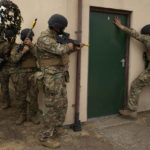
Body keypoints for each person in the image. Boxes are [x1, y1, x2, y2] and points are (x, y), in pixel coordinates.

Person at [36, 14, 83, 148]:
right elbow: (60, 49)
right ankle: (44, 137)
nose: (63, 29)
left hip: (60, 77)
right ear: (56, 27)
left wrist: (74, 49)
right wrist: (70, 45)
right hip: (51, 79)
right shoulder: (44, 39)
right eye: (62, 27)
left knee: (62, 105)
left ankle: (55, 129)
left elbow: (62, 54)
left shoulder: (55, 38)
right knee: (51, 108)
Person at [114, 16, 150, 119]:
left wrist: (121, 26)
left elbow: (136, 35)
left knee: (136, 85)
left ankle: (132, 111)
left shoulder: (148, 38)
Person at [10, 28, 39, 125]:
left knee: (33, 96)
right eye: (29, 37)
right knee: (21, 96)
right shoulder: (17, 47)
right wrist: (22, 52)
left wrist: (31, 47)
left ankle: (33, 116)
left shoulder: (34, 47)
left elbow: (39, 56)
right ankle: (22, 115)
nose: (30, 39)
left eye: (31, 38)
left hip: (33, 73)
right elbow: (13, 59)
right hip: (21, 74)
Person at [0, 28, 18, 109]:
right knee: (15, 87)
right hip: (10, 68)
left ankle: (6, 103)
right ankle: (17, 104)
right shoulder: (12, 45)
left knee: (5, 87)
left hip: (7, 68)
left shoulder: (3, 45)